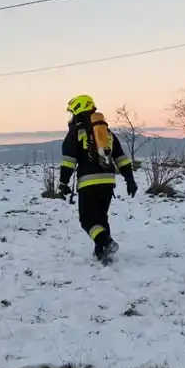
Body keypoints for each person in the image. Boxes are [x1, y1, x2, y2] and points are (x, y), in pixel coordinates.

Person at [58, 94, 138, 263]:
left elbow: (68, 161)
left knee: (87, 220)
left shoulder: (76, 132)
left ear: (78, 111)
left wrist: (63, 182)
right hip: (108, 182)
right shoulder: (106, 133)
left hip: (88, 183)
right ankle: (102, 252)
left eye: (72, 113)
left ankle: (106, 242)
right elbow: (121, 158)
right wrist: (130, 179)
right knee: (101, 218)